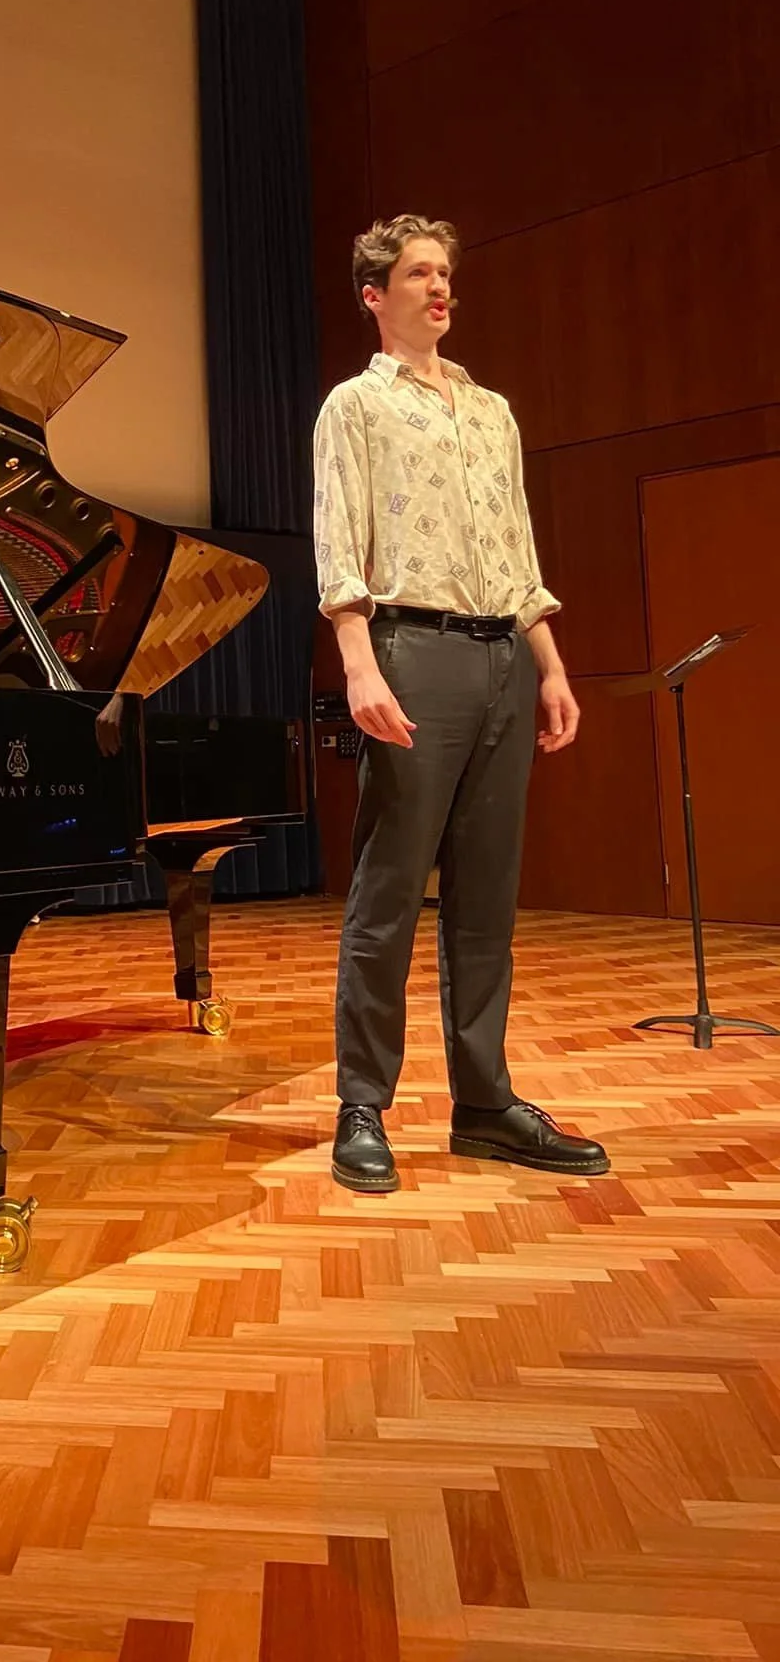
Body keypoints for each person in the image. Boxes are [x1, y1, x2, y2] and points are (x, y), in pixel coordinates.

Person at [313, 216, 609, 1193]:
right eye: (419, 274)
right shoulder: (353, 408)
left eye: (446, 273)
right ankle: (364, 1102)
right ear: (375, 293)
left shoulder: (494, 412)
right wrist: (360, 664)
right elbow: (338, 548)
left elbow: (516, 551)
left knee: (486, 899)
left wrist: (552, 664)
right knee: (390, 890)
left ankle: (484, 1103)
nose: (440, 287)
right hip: (411, 649)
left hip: (503, 663)